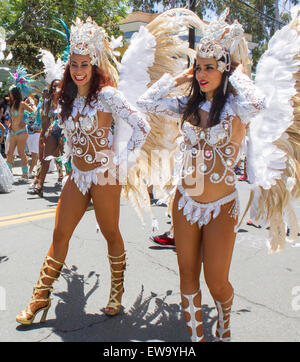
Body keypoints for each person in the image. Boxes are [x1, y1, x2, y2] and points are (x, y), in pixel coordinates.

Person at [136, 10, 266, 342]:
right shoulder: (187, 106)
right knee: (187, 278)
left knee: (216, 281)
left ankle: (224, 323)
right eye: (200, 68)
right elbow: (146, 101)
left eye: (211, 67)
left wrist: (234, 71)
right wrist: (182, 76)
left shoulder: (237, 109)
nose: (203, 73)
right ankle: (198, 339)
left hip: (222, 206)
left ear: (225, 69)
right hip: (185, 202)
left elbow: (258, 101)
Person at [16, 17, 150, 325]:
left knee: (110, 232)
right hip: (77, 174)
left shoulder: (107, 95)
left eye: (84, 64)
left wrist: (124, 159)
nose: (78, 70)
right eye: (74, 64)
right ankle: (41, 296)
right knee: (60, 232)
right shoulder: (66, 97)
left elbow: (141, 125)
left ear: (93, 65)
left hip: (105, 174)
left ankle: (116, 291)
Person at [28, 80, 64, 196]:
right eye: (53, 86)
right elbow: (45, 119)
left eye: (58, 86)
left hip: (65, 132)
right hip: (52, 131)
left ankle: (72, 186)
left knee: (67, 160)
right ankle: (39, 186)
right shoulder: (48, 102)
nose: (55, 88)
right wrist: (43, 133)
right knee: (46, 158)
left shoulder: (66, 100)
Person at [6, 86, 36, 182]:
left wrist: (26, 121)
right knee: (10, 153)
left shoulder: (22, 104)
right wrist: (10, 123)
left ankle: (25, 175)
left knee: (21, 152)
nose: (9, 95)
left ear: (14, 93)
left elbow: (34, 113)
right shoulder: (12, 104)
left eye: (10, 93)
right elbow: (12, 118)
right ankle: (8, 174)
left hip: (22, 131)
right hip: (13, 132)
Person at [25, 95, 42, 178]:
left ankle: (30, 172)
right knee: (35, 154)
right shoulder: (27, 109)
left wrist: (32, 104)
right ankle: (38, 171)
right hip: (30, 133)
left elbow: (35, 113)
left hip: (37, 133)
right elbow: (26, 119)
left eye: (34, 99)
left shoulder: (38, 108)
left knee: (35, 154)